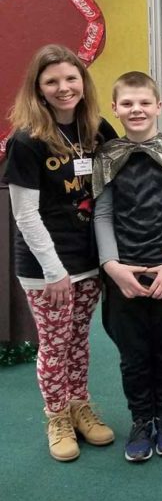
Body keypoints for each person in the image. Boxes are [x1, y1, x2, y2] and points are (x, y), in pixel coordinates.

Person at [4, 44, 117, 461]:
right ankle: (57, 416)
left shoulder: (97, 129)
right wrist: (54, 271)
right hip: (46, 267)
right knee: (54, 344)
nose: (63, 88)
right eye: (52, 81)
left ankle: (79, 405)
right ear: (38, 88)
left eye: (71, 78)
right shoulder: (27, 140)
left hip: (88, 260)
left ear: (83, 83)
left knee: (79, 342)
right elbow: (25, 215)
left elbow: (131, 163)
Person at [92, 71, 162, 462]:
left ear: (159, 106)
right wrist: (111, 266)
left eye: (144, 103)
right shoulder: (106, 156)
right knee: (133, 353)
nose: (136, 109)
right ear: (115, 108)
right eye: (127, 103)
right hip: (125, 274)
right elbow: (102, 215)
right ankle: (141, 419)